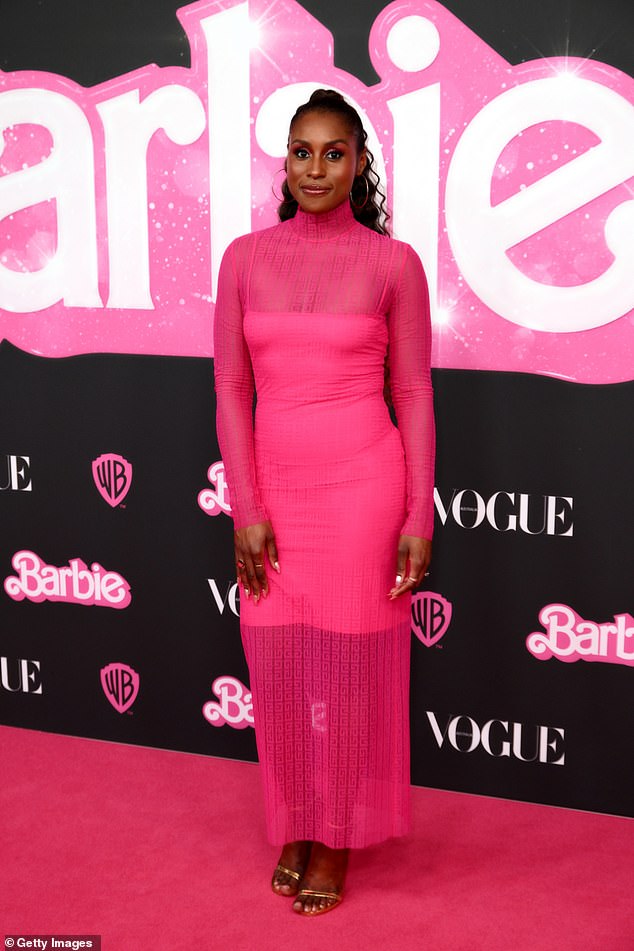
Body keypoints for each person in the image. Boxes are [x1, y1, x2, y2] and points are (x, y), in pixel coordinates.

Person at [213, 89, 435, 916]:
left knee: (344, 674)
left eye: (333, 153)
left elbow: (413, 391)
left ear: (359, 162)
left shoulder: (392, 264)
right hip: (274, 491)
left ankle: (336, 835)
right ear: (286, 161)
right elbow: (231, 387)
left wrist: (418, 513)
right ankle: (297, 820)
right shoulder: (243, 257)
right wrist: (246, 505)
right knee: (274, 667)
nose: (316, 168)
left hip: (361, 492)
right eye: (302, 152)